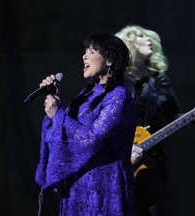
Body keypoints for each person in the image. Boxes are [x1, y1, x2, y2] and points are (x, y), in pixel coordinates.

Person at [35, 34, 137, 215]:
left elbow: (92, 140)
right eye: (85, 51)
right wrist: (54, 103)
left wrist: (58, 114)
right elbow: (65, 133)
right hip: (77, 186)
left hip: (103, 187)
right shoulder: (87, 93)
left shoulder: (119, 96)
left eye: (92, 51)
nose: (84, 56)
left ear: (110, 60)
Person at [115, 25, 195, 216]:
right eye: (141, 36)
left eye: (151, 37)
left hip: (152, 160)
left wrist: (194, 116)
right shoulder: (118, 81)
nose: (149, 39)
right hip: (120, 158)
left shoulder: (159, 79)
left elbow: (174, 114)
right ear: (129, 44)